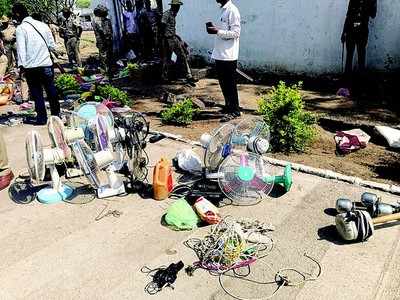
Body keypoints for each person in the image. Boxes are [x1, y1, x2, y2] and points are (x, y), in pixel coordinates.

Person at [13, 3, 60, 125]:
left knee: (37, 93)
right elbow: (52, 45)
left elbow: (21, 50)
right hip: (46, 64)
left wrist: (21, 67)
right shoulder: (43, 25)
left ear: (18, 14)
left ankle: (42, 118)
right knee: (51, 89)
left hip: (31, 67)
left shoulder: (21, 29)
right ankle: (56, 116)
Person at [207, 0, 241, 122]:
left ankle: (235, 110)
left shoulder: (233, 10)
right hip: (220, 53)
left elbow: (236, 33)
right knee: (223, 83)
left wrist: (217, 31)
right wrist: (215, 29)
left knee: (230, 84)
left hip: (229, 55)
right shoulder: (223, 10)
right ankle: (228, 106)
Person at [160, 0, 195, 85]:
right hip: (167, 39)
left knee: (182, 55)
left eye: (178, 6)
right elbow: (162, 25)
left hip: (173, 38)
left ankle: (189, 76)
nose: (178, 8)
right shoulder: (167, 14)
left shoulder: (174, 14)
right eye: (177, 6)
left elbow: (171, 28)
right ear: (173, 6)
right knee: (167, 59)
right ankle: (164, 77)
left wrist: (177, 37)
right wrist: (163, 38)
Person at [341, 0, 377, 75]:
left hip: (362, 33)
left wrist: (373, 2)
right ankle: (347, 80)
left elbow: (373, 15)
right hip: (350, 32)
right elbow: (348, 16)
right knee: (349, 57)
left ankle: (361, 80)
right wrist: (344, 32)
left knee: (361, 57)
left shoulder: (370, 1)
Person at [93, 4, 113, 78]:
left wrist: (110, 37)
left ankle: (110, 70)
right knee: (103, 56)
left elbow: (111, 30)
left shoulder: (107, 20)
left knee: (110, 55)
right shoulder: (96, 20)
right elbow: (101, 31)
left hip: (108, 40)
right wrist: (107, 37)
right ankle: (104, 72)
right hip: (101, 41)